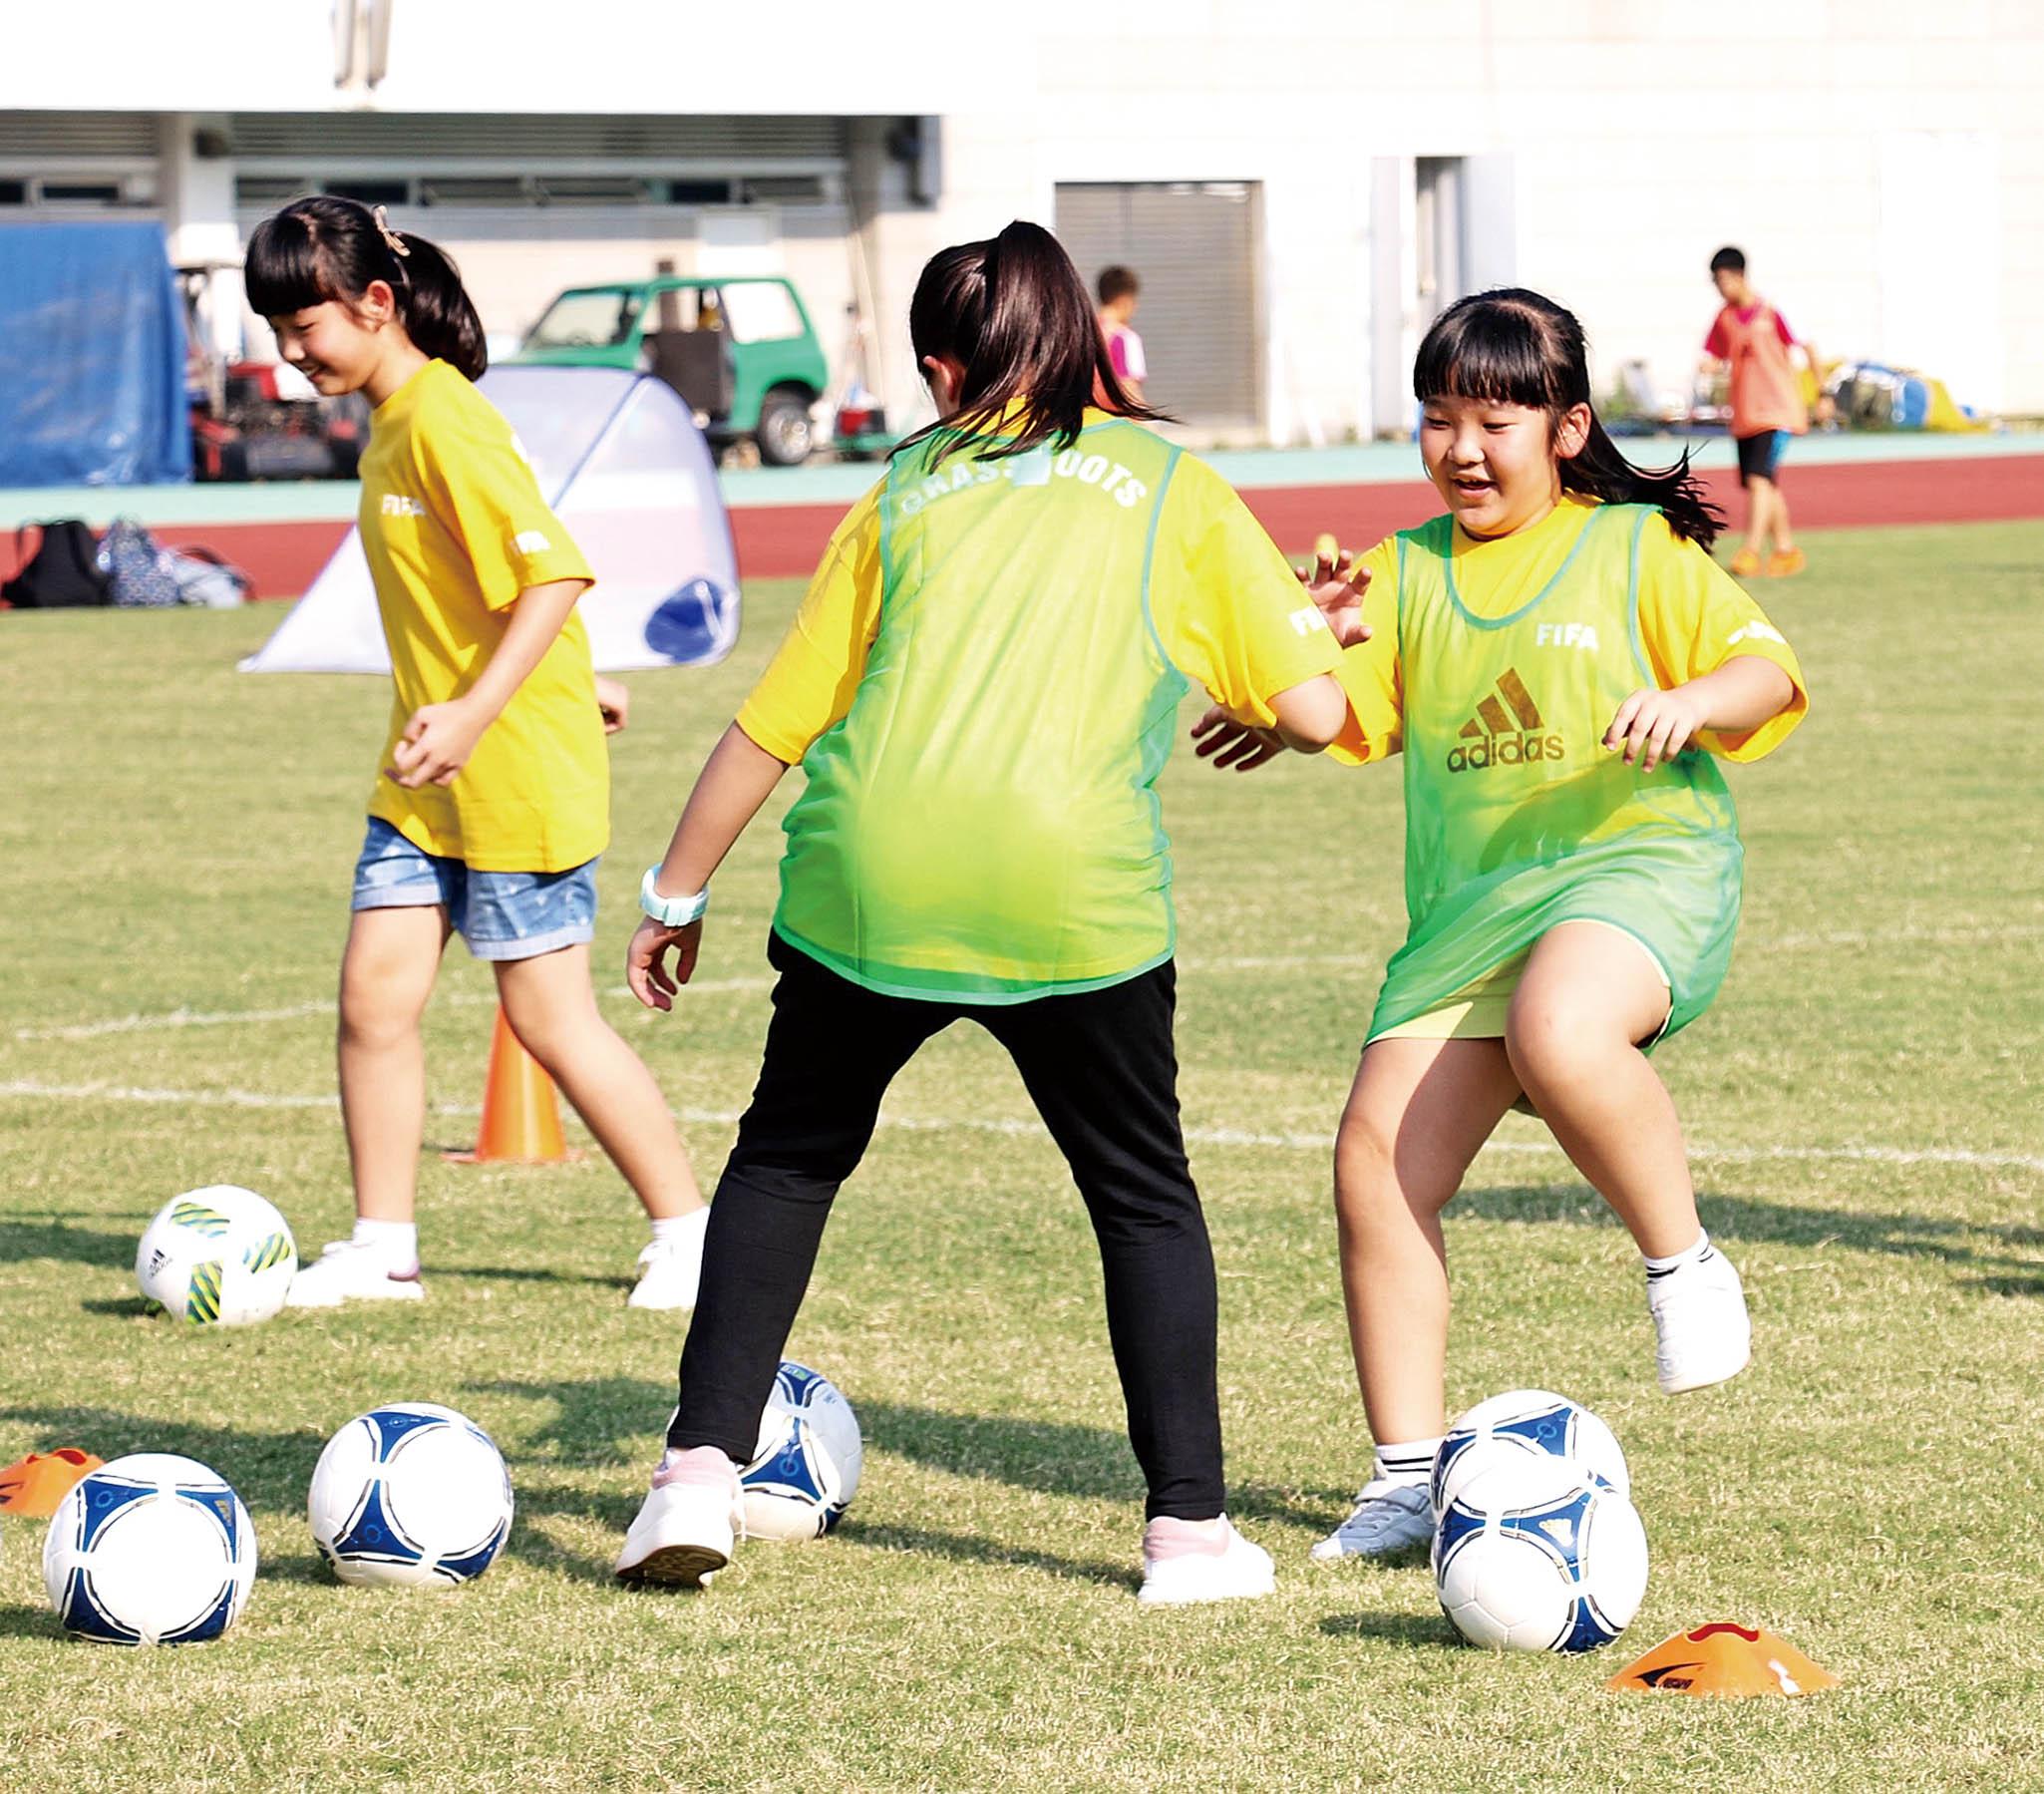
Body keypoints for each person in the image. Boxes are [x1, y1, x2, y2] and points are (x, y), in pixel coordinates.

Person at [612, 220, 1358, 1604]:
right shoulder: (1169, 482)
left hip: (868, 878)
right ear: (1081, 331)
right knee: (1142, 1199)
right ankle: (1187, 1533)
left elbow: (775, 721)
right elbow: (1313, 709)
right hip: (1068, 894)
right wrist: (1293, 639)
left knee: (782, 1163)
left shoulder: (902, 488)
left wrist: (673, 889)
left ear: (943, 366)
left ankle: (695, 1475)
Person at [1198, 288, 1807, 1563]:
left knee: (1562, 1030)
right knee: (1373, 1161)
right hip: (1470, 910)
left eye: (1493, 419)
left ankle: (1682, 1264)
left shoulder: (1632, 549)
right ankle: (1407, 1478)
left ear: (1567, 427)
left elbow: (1768, 672)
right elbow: (1331, 705)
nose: (1462, 448)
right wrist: (1294, 666)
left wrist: (1694, 698)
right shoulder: (1403, 568)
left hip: (1636, 859)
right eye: (1436, 420)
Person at [240, 196, 709, 1312]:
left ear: (377, 302)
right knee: (373, 1001)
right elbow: (476, 588)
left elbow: (552, 571)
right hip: (427, 783)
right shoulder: (393, 424)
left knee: (548, 1018)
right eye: (278, 332)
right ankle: (380, 1247)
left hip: (506, 775)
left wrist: (486, 708)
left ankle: (691, 1233)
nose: (291, 354)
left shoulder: (446, 422)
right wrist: (559, 679)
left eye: (306, 326)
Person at [1702, 246, 1825, 577]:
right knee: (1764, 483)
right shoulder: (1724, 318)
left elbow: (1809, 348)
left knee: (1759, 479)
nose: (1720, 287)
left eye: (1723, 280)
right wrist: (1707, 367)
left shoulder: (1773, 310)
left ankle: (1751, 550)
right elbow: (1714, 354)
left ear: (1739, 276)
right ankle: (1785, 550)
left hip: (1778, 411)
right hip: (1746, 414)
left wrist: (1822, 392)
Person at [1096, 265, 1147, 404]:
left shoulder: (1082, 332)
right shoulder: (1124, 338)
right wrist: (1146, 424)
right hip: (1117, 421)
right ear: (1125, 300)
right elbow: (1129, 388)